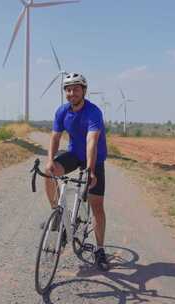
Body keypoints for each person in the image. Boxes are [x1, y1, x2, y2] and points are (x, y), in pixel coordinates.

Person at [45, 72, 109, 271]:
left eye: (76, 89)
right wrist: (49, 161)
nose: (72, 93)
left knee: (96, 205)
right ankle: (57, 213)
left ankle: (99, 249)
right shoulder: (62, 111)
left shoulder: (93, 112)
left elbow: (92, 141)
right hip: (73, 154)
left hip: (94, 159)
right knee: (49, 172)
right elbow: (55, 138)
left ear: (84, 91)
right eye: (68, 89)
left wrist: (90, 170)